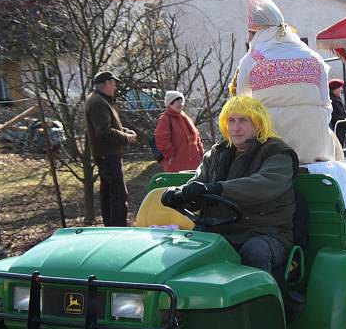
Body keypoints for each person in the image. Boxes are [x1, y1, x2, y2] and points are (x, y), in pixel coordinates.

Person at [161, 95, 298, 291]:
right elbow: (199, 184)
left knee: (254, 252)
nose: (236, 127)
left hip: (266, 233)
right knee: (186, 250)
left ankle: (262, 309)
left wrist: (219, 188)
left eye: (243, 120)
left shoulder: (277, 153)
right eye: (231, 120)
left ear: (258, 123)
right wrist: (180, 194)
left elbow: (263, 185)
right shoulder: (217, 154)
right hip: (218, 230)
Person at [231, 0, 337, 163]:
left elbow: (241, 106)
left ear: (260, 32)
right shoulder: (314, 58)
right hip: (315, 149)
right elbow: (327, 105)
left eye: (251, 33)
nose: (249, 39)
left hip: (271, 151)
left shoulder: (253, 59)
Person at [85, 70, 137, 226]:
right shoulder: (98, 102)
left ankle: (111, 227)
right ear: (106, 84)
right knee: (119, 194)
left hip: (106, 154)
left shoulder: (99, 100)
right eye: (113, 83)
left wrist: (124, 131)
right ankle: (118, 230)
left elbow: (107, 126)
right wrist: (126, 138)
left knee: (108, 193)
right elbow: (103, 131)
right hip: (108, 155)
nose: (115, 87)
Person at [154, 90, 204, 172]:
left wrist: (201, 153)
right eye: (176, 102)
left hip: (194, 164)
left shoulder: (186, 118)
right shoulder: (165, 119)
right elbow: (162, 141)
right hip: (176, 165)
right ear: (170, 104)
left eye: (181, 102)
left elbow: (196, 137)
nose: (180, 104)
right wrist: (171, 157)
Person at [328, 79, 346, 145]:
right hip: (336, 130)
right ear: (334, 89)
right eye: (340, 87)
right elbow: (335, 116)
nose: (341, 89)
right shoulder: (331, 100)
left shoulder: (337, 98)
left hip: (340, 129)